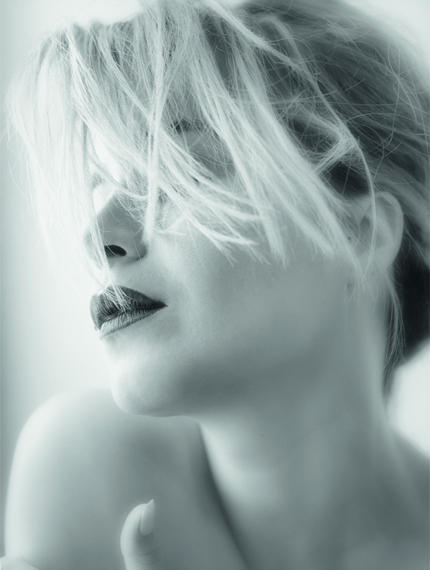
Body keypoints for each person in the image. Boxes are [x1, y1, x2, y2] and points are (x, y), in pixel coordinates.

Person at [2, 0, 429, 568]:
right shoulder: (88, 472)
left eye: (179, 174)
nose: (99, 237)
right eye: (104, 185)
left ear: (358, 233)